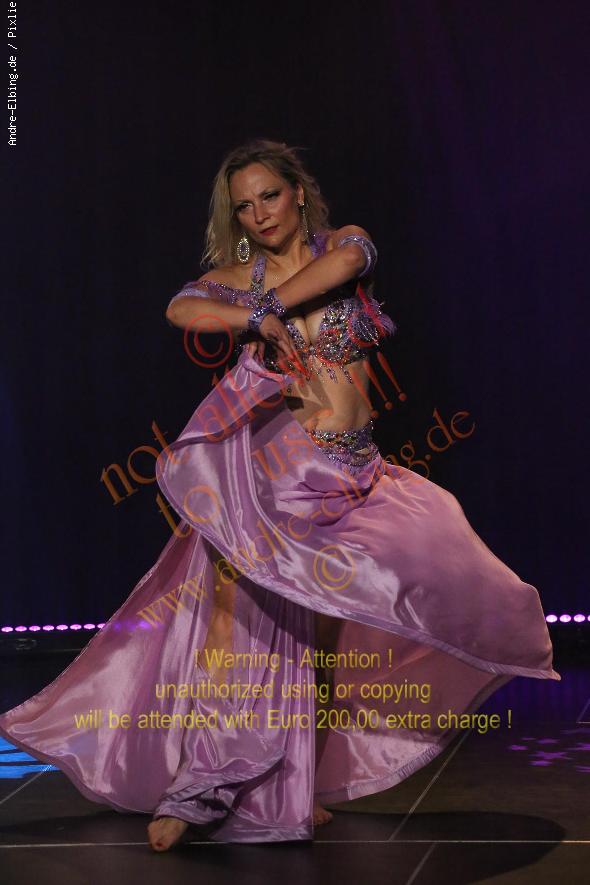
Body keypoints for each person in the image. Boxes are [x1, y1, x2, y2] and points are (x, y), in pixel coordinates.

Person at [0, 139, 560, 852]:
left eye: (270, 195)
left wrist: (264, 308)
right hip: (283, 475)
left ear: (298, 191)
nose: (260, 213)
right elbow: (181, 307)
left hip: (360, 472)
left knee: (339, 624)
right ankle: (198, 787)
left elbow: (347, 264)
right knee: (235, 621)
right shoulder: (237, 281)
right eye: (244, 206)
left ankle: (295, 779)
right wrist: (247, 316)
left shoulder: (344, 245)